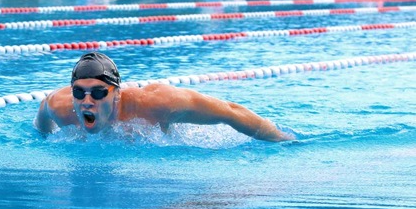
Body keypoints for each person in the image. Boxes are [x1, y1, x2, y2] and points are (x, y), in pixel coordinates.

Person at [35, 52, 294, 142]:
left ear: (116, 94)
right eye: (79, 92)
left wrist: (279, 139)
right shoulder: (61, 105)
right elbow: (42, 116)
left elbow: (229, 111)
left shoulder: (156, 104)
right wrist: (43, 138)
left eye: (99, 92)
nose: (86, 100)